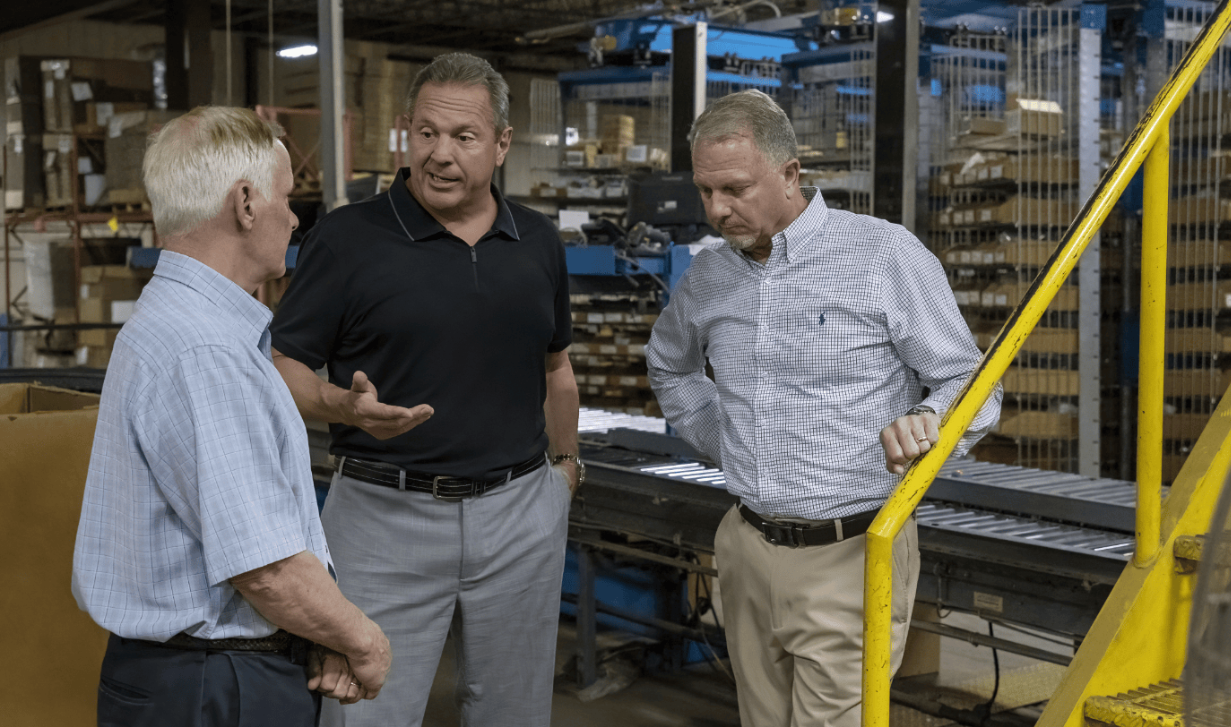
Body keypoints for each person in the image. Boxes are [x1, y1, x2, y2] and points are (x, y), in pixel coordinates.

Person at [645, 90, 1002, 726]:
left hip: (852, 550)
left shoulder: (883, 255)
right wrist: (724, 439)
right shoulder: (710, 277)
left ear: (789, 174)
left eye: (735, 189)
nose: (717, 211)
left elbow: (971, 382)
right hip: (746, 546)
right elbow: (669, 365)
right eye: (705, 191)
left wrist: (931, 420)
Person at [269, 52, 579, 727]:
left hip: (521, 515)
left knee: (515, 713)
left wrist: (565, 470)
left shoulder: (538, 243)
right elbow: (282, 364)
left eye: (464, 138)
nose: (440, 155)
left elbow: (556, 367)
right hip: (384, 515)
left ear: (501, 143)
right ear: (406, 131)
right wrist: (339, 406)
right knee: (363, 712)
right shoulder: (347, 239)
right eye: (426, 133)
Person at [71, 106, 392, 727]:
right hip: (216, 685)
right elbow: (266, 567)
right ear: (245, 202)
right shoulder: (206, 351)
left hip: (191, 677)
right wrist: (363, 640)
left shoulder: (180, 324)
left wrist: (314, 631)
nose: (295, 217)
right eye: (287, 197)